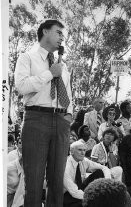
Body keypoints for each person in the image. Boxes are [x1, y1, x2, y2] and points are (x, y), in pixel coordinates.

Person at [15, 19, 73, 207]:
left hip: (61, 121)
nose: (61, 37)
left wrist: (68, 115)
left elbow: (68, 92)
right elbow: (21, 86)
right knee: (34, 180)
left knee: (57, 181)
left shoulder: (62, 65)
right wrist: (49, 74)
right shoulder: (27, 58)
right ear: (45, 31)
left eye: (62, 34)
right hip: (36, 119)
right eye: (58, 32)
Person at [63, 141, 112, 207]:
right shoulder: (66, 167)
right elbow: (74, 192)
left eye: (84, 150)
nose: (83, 153)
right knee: (89, 204)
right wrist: (92, 198)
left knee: (99, 172)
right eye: (80, 150)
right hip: (68, 195)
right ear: (72, 152)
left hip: (81, 189)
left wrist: (107, 182)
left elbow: (104, 168)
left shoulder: (84, 160)